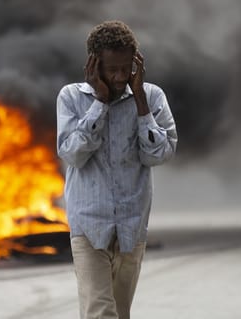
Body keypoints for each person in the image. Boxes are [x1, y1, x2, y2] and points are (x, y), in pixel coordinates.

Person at [56, 20, 178, 319]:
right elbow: (72, 153)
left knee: (120, 313)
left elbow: (160, 153)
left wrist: (140, 103)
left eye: (126, 68)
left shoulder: (151, 97)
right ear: (93, 65)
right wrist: (99, 103)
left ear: (137, 63)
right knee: (101, 313)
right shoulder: (72, 98)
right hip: (88, 228)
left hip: (131, 226)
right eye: (112, 69)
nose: (121, 76)